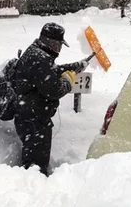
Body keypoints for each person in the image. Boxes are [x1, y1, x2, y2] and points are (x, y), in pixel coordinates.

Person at [11, 22, 90, 175]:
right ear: (52, 42)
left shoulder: (37, 53)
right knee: (35, 166)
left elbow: (52, 71)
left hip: (29, 116)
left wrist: (76, 66)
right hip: (34, 121)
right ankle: (35, 188)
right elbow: (54, 90)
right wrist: (68, 81)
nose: (60, 48)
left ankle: (31, 182)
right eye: (59, 44)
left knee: (32, 161)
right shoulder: (40, 59)